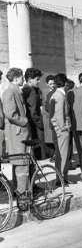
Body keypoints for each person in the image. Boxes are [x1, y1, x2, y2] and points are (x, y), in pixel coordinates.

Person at [2, 68, 30, 200]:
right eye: (22, 77)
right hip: (17, 133)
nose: (23, 79)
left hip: (19, 132)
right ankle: (22, 195)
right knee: (21, 163)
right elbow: (10, 114)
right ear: (16, 78)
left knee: (21, 162)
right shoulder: (10, 92)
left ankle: (20, 192)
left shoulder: (15, 91)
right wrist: (24, 121)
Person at [50, 73, 71, 184]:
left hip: (59, 129)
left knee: (60, 154)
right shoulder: (60, 96)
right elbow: (58, 115)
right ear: (65, 83)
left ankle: (61, 177)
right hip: (62, 129)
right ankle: (61, 178)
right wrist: (63, 129)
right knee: (63, 154)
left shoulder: (56, 94)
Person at [22, 68, 46, 159]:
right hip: (35, 125)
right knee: (39, 154)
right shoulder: (31, 91)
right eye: (37, 79)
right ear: (29, 79)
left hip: (31, 124)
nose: (39, 81)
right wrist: (41, 124)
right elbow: (33, 112)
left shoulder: (26, 89)